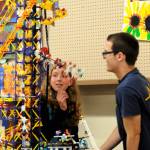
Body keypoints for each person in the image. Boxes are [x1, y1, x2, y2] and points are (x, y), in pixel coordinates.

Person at [100, 32, 150, 150]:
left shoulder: (126, 89)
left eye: (106, 53)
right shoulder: (140, 80)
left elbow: (133, 134)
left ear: (120, 56)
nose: (104, 57)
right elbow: (126, 126)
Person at [40, 64, 81, 143]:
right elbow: (46, 135)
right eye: (55, 75)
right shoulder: (42, 100)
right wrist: (61, 110)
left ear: (70, 81)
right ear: (49, 79)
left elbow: (73, 133)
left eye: (64, 76)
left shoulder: (71, 100)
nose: (59, 79)